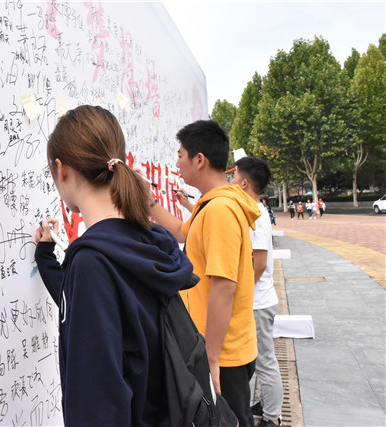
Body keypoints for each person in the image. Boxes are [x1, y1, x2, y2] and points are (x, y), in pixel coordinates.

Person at [33, 105, 196, 426]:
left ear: (61, 169)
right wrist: (46, 257)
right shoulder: (149, 239)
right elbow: (94, 309)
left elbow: (98, 405)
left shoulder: (93, 262)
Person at [149, 119, 260, 427]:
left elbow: (224, 286)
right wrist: (149, 201)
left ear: (199, 159)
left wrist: (210, 357)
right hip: (219, 347)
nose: (176, 163)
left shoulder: (220, 210)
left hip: (223, 354)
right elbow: (180, 232)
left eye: (180, 155)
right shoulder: (209, 205)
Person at [231, 157, 283, 427]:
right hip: (257, 301)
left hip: (258, 303)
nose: (230, 182)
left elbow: (259, 264)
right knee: (257, 359)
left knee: (264, 361)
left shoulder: (258, 216)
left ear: (244, 183)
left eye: (233, 177)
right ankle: (264, 406)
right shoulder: (252, 211)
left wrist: (237, 297)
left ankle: (272, 417)